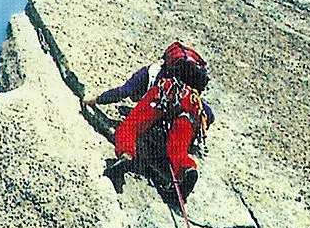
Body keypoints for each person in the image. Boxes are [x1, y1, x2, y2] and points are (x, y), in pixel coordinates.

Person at [83, 43, 214, 194]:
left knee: (129, 128)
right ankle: (186, 168)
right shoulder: (193, 94)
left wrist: (96, 99)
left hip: (163, 94)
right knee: (177, 149)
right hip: (190, 107)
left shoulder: (151, 73)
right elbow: (209, 115)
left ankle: (126, 154)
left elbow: (123, 91)